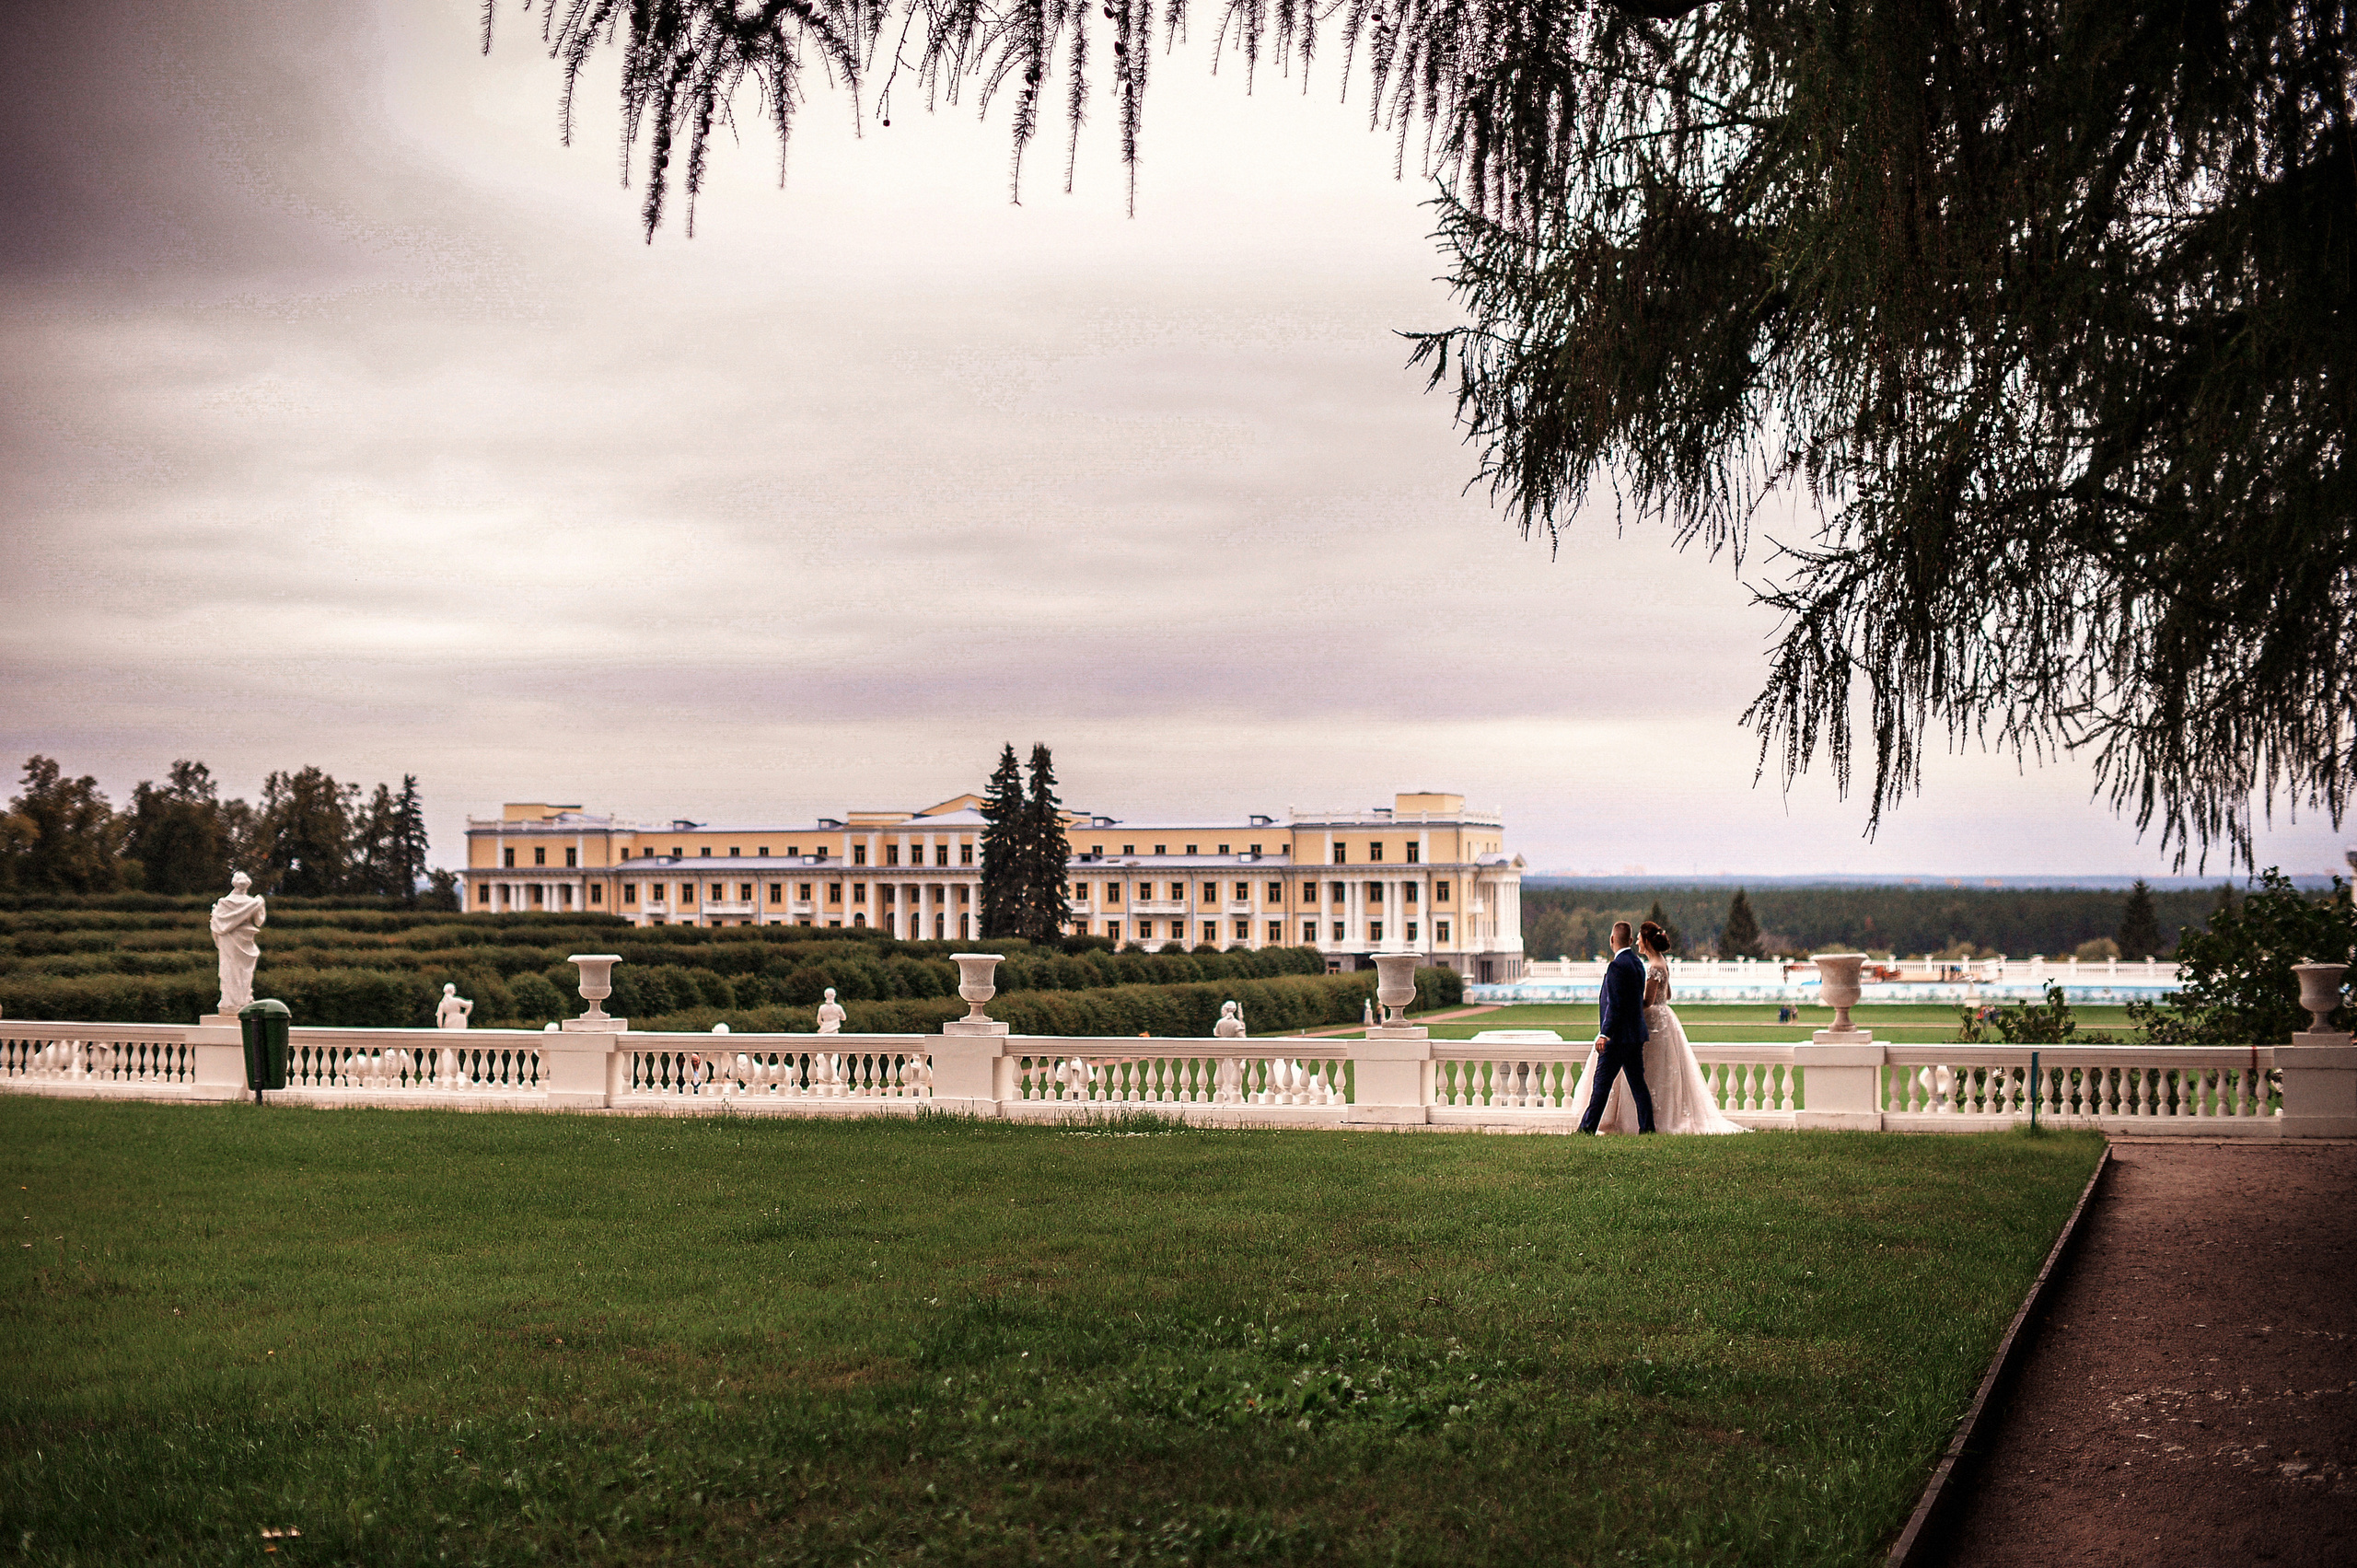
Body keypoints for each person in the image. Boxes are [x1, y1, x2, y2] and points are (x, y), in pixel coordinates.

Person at [1580, 921, 1749, 1135]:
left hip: (1637, 1027)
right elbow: (1666, 995)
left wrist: (1614, 1023)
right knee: (1641, 1081)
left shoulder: (1646, 967)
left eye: (1641, 938)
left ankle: (1591, 1128)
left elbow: (1645, 1002)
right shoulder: (1645, 964)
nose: (1638, 942)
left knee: (1611, 1083)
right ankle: (1647, 1126)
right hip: (1654, 1023)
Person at [1578, 920, 1655, 1133]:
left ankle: (1586, 1129)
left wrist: (1604, 1034)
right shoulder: (1638, 964)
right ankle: (1648, 1128)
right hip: (1634, 1036)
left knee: (1601, 1086)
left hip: (1617, 1039)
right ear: (1630, 941)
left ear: (1612, 939)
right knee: (1639, 1086)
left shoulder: (1615, 966)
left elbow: (1615, 1004)